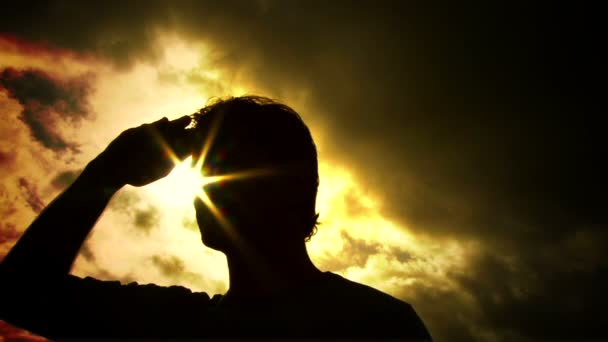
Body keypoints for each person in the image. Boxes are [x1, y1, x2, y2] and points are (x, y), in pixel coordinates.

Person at [0, 96, 432, 340]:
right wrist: (104, 175)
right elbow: (18, 293)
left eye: (232, 170)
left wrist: (103, 177)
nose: (209, 191)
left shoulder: (376, 327)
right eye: (205, 173)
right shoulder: (174, 324)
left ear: (296, 190)